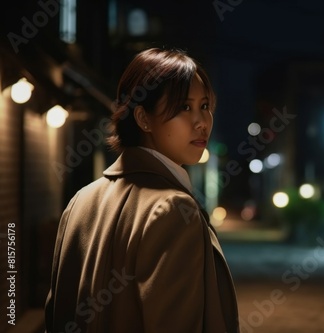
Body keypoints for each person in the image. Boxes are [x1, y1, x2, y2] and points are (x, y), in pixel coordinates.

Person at [44, 47, 240, 332]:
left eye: (205, 106)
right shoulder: (174, 209)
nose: (201, 122)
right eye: (184, 107)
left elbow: (56, 317)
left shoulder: (81, 200)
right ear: (143, 118)